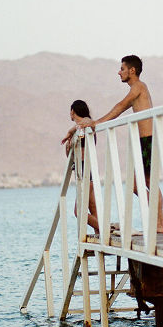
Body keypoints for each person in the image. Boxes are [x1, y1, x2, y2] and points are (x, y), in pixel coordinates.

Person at [64, 55, 163, 233]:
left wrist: (96, 123)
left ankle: (158, 224)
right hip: (145, 141)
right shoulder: (138, 88)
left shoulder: (138, 87)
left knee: (143, 183)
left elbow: (120, 107)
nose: (119, 72)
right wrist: (74, 130)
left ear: (132, 70)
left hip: (147, 141)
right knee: (144, 182)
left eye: (122, 69)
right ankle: (158, 224)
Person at [64, 100, 99, 233]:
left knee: (78, 211)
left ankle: (106, 229)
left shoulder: (85, 125)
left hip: (85, 170)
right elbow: (72, 155)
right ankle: (100, 233)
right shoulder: (81, 127)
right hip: (85, 170)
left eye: (70, 111)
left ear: (73, 111)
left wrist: (70, 133)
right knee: (92, 206)